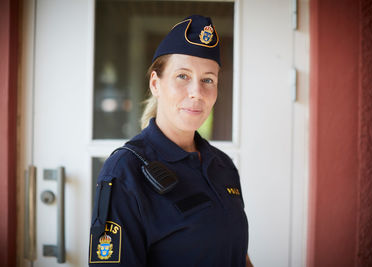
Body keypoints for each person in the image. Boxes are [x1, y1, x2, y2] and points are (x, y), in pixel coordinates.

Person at [89, 15, 252, 267]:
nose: (197, 92)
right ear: (156, 83)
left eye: (208, 80)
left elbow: (238, 254)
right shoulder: (125, 171)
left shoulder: (223, 166)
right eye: (183, 76)